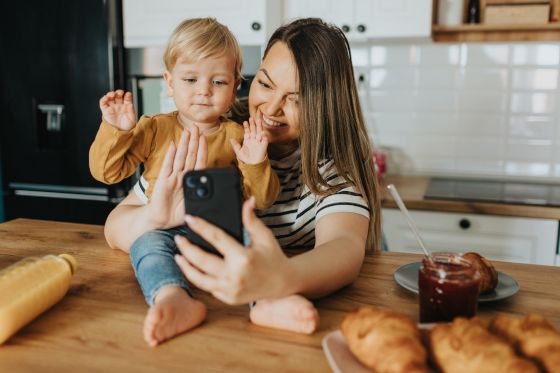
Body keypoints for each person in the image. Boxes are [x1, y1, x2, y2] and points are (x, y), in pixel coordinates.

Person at [104, 18, 381, 347]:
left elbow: (344, 249)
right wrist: (154, 217)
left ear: (324, 107)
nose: (271, 108)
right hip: (202, 325)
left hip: (263, 334)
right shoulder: (213, 134)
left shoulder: (329, 172)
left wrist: (279, 281)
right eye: (265, 84)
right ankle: (172, 295)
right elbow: (115, 226)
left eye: (296, 99)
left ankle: (269, 302)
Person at [88, 18, 280, 346]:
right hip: (163, 229)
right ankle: (172, 297)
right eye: (190, 79)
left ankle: (271, 300)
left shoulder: (240, 135)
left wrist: (256, 162)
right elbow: (107, 173)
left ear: (235, 85)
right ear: (169, 82)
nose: (203, 91)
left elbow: (262, 200)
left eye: (218, 81)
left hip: (221, 229)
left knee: (256, 240)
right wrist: (117, 131)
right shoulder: (152, 129)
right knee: (145, 246)